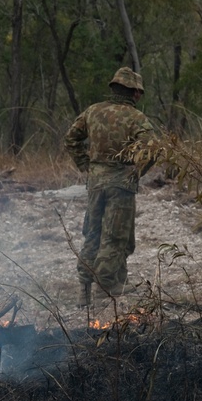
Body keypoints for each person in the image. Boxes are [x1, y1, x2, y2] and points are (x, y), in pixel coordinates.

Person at [64, 66, 159, 308]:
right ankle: (105, 288)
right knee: (116, 237)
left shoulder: (93, 111)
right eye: (139, 92)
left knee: (93, 233)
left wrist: (87, 165)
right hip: (121, 183)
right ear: (134, 93)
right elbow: (152, 148)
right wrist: (136, 172)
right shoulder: (136, 118)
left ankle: (85, 290)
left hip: (95, 182)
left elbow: (71, 139)